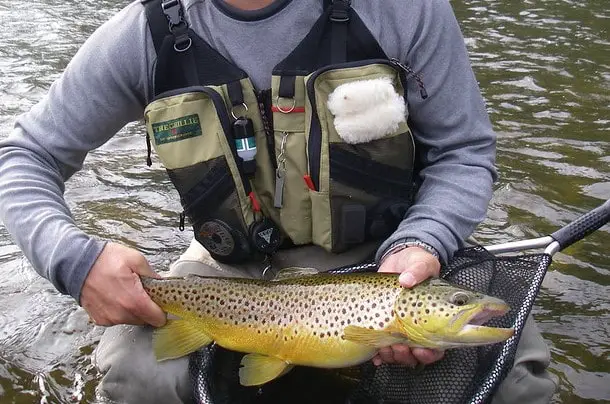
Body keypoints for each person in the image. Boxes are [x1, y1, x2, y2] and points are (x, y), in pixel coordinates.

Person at [0, 0, 557, 403]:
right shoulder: (142, 36)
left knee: (513, 377)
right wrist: (75, 261)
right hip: (231, 270)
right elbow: (22, 157)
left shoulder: (403, 10)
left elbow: (464, 151)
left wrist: (425, 242)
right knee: (137, 376)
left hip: (391, 260)